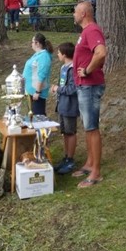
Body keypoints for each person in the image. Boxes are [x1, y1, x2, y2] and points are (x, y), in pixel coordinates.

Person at [71, 0, 107, 188]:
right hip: (84, 86)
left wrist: (87, 70)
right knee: (88, 127)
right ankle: (90, 163)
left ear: (83, 13)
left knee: (92, 128)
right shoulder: (86, 32)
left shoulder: (92, 30)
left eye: (75, 11)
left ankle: (96, 173)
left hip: (90, 86)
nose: (73, 14)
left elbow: (101, 53)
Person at [50, 42, 79, 175]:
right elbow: (62, 85)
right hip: (62, 105)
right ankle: (66, 157)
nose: (57, 54)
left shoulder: (73, 69)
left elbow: (73, 88)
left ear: (65, 54)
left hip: (70, 106)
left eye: (59, 52)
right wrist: (56, 88)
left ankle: (70, 160)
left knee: (70, 132)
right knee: (65, 132)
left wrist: (58, 89)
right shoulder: (63, 68)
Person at [23, 32, 53, 116]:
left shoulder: (44, 56)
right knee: (32, 116)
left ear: (37, 43)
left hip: (36, 94)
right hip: (30, 92)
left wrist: (37, 91)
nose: (31, 44)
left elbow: (42, 75)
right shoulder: (37, 55)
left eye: (32, 42)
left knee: (38, 117)